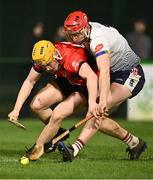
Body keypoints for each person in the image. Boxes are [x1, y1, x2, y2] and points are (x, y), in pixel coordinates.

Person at [57, 11, 147, 161]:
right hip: (114, 73)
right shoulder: (85, 34)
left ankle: (74, 150)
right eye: (70, 35)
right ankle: (134, 142)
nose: (73, 38)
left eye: (76, 34)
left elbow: (104, 70)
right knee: (99, 116)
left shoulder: (98, 40)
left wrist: (103, 99)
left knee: (97, 109)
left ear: (85, 28)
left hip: (131, 73)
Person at [8, 39, 98, 160]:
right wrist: (16, 110)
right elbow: (29, 81)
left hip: (85, 85)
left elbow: (92, 77)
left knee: (58, 113)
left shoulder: (70, 56)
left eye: (48, 64)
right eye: (43, 66)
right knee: (36, 104)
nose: (47, 69)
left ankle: (39, 146)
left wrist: (92, 103)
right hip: (67, 79)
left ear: (55, 55)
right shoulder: (45, 58)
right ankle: (57, 133)